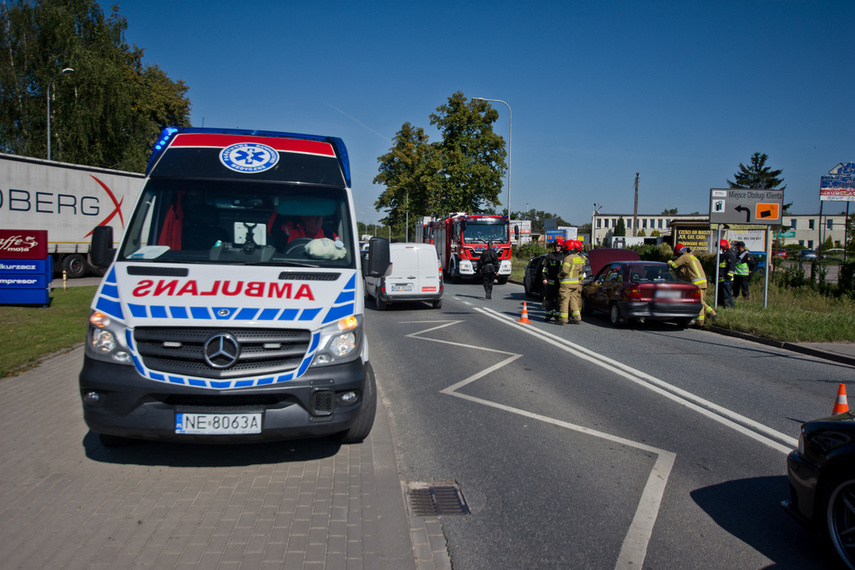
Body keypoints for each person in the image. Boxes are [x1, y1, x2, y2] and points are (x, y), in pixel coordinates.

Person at [668, 243, 716, 326]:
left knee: (699, 303)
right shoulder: (692, 257)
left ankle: (700, 323)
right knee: (702, 301)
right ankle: (713, 315)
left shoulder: (684, 257)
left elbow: (674, 265)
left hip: (697, 284)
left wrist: (669, 262)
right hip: (703, 283)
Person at [556, 240, 585, 325]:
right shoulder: (578, 258)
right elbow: (580, 271)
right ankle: (577, 317)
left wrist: (558, 276)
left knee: (564, 300)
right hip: (575, 283)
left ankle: (562, 319)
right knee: (573, 300)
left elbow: (564, 272)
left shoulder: (567, 259)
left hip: (566, 284)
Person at [542, 238, 566, 322]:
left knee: (559, 301)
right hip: (550, 283)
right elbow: (545, 269)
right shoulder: (550, 256)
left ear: (562, 247)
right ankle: (548, 315)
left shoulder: (565, 257)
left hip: (560, 283)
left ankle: (557, 316)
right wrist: (544, 278)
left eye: (559, 246)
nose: (557, 248)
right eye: (556, 246)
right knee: (548, 300)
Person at [717, 239, 735, 308]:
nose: (719, 249)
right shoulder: (721, 256)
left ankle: (729, 307)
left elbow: (731, 268)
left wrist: (728, 279)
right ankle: (721, 306)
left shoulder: (729, 255)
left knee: (727, 295)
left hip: (726, 280)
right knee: (721, 296)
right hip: (720, 280)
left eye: (720, 247)